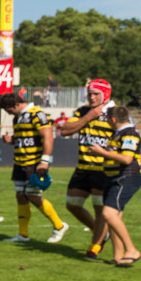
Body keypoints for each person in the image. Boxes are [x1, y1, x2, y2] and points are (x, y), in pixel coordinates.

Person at [0, 92, 70, 243]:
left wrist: (44, 160)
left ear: (16, 105)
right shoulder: (17, 117)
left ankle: (59, 225)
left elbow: (47, 136)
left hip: (34, 162)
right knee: (21, 196)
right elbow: (23, 139)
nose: (8, 113)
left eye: (9, 110)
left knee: (33, 195)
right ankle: (23, 234)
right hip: (20, 162)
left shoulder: (37, 114)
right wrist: (10, 140)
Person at [58, 79, 115, 258]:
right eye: (89, 94)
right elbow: (65, 130)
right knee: (72, 205)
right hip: (83, 167)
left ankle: (95, 246)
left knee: (100, 209)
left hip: (103, 169)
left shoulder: (115, 113)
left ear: (105, 95)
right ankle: (101, 233)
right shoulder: (83, 111)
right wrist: (89, 116)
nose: (91, 97)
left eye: (96, 94)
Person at [90, 105, 141, 266]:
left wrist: (101, 153)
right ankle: (118, 256)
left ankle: (131, 249)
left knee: (108, 214)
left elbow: (127, 159)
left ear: (113, 119)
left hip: (125, 178)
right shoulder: (117, 134)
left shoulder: (129, 134)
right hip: (113, 178)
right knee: (115, 217)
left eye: (107, 119)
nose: (106, 121)